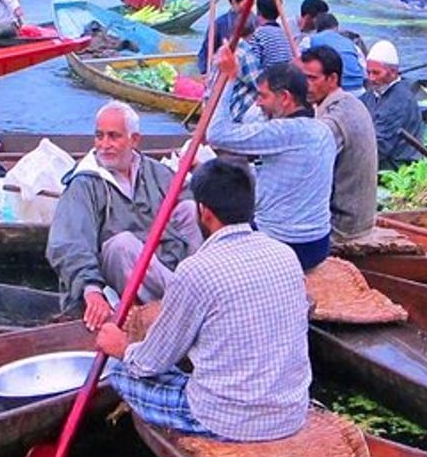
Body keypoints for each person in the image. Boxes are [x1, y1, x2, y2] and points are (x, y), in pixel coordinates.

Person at [95, 158, 310, 441]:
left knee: (120, 372)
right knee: (178, 372)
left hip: (227, 420)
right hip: (292, 411)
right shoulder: (285, 254)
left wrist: (121, 348)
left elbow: (149, 363)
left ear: (204, 212)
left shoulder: (196, 271)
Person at [46, 101, 203, 330]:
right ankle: (188, 304)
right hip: (116, 284)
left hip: (163, 268)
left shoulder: (154, 172)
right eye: (99, 136)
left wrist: (201, 173)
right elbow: (68, 244)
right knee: (122, 244)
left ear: (134, 140)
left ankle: (194, 289)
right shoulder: (84, 184)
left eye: (114, 136)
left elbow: (196, 208)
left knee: (189, 208)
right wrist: (91, 289)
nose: (104, 145)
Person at [208, 54, 335, 270]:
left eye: (263, 96)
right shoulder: (323, 130)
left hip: (285, 244)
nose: (258, 103)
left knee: (211, 216)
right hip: (318, 243)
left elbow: (215, 134)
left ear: (285, 98)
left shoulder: (283, 131)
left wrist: (228, 79)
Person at [301, 45, 377, 243]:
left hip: (343, 226)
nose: (305, 85)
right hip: (357, 217)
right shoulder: (350, 103)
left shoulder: (336, 118)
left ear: (332, 79)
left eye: (312, 78)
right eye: (303, 77)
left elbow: (305, 162)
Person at [361, 40, 424, 169]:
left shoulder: (399, 100)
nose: (371, 78)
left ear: (393, 72)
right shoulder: (372, 94)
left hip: (397, 165)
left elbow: (381, 146)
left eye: (376, 73)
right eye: (369, 73)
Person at [196, 0, 252, 74]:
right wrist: (205, 72)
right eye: (247, 1)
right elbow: (206, 51)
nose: (251, 4)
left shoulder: (255, 20)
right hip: (225, 72)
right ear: (234, 2)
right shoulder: (219, 23)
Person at [305, 13, 364, 92]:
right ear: (336, 27)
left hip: (336, 89)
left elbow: (300, 64)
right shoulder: (351, 43)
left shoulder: (310, 40)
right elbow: (364, 69)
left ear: (316, 28)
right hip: (359, 88)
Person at [249, 0, 294, 70]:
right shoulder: (285, 34)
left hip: (269, 79)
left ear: (258, 10)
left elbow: (253, 67)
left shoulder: (258, 35)